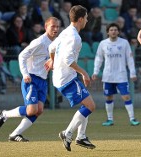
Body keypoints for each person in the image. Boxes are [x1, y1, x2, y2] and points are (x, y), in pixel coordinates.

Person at [0, 17, 60, 142]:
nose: (56, 29)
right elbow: (22, 55)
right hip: (31, 78)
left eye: (57, 26)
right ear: (46, 27)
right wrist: (25, 74)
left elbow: (50, 60)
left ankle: (14, 134)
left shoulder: (56, 43)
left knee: (39, 110)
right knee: (31, 110)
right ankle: (4, 114)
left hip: (43, 80)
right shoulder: (40, 42)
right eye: (53, 26)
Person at [45, 5, 96, 151]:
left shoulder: (66, 32)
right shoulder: (75, 37)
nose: (87, 20)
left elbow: (51, 48)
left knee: (86, 104)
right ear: (80, 19)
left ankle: (81, 137)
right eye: (86, 18)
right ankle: (67, 133)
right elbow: (68, 60)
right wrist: (84, 73)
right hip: (66, 77)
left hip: (63, 76)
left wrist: (52, 60)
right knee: (91, 106)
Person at [92, 23, 140, 126]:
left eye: (115, 30)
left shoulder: (124, 43)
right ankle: (110, 119)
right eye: (111, 30)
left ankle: (132, 119)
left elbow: (129, 59)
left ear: (118, 32)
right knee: (109, 97)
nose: (113, 31)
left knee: (126, 96)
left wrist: (132, 73)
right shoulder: (103, 44)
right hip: (108, 76)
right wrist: (95, 72)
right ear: (108, 32)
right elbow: (99, 59)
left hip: (121, 75)